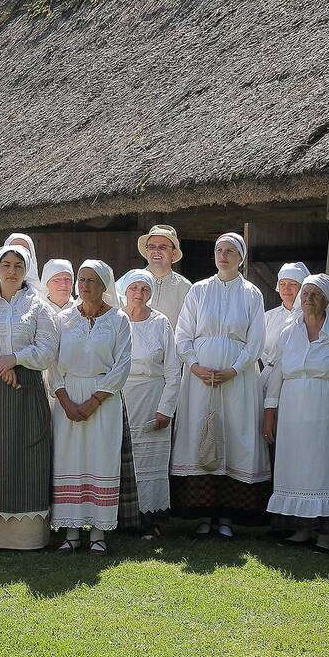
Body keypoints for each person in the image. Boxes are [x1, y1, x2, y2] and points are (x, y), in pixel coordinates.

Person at [170, 232, 269, 539]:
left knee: (234, 436)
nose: (223, 255)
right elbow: (183, 334)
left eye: (229, 251)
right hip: (200, 380)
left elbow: (256, 341)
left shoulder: (252, 294)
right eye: (218, 250)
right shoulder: (199, 290)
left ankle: (227, 516)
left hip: (237, 381)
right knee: (200, 433)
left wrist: (236, 369)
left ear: (240, 257)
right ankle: (202, 516)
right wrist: (195, 365)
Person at [0, 245, 57, 551]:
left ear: (26, 269)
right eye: (6, 264)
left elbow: (46, 350)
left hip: (26, 388)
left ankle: (27, 536)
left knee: (27, 454)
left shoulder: (39, 307)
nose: (12, 271)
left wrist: (15, 359)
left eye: (18, 265)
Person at [263, 274, 329, 553]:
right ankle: (301, 529)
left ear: (326, 300)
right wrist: (269, 412)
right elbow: (276, 375)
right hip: (294, 411)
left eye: (315, 294)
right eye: (305, 294)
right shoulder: (288, 332)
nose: (308, 299)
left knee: (326, 466)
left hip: (328, 410)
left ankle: (326, 535)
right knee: (295, 465)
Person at [48, 260, 132, 555]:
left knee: (100, 459)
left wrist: (94, 401)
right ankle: (71, 532)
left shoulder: (119, 320)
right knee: (68, 460)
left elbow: (122, 366)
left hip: (103, 400)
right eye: (81, 280)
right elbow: (53, 364)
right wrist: (66, 401)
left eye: (92, 281)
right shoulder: (63, 319)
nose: (84, 286)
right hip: (68, 397)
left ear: (104, 285)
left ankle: (98, 532)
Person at [120, 269, 180, 535]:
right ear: (125, 289)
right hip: (120, 397)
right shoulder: (115, 318)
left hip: (153, 397)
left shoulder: (161, 322)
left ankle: (149, 520)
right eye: (134, 288)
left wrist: (166, 408)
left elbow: (173, 370)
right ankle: (120, 518)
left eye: (145, 289)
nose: (139, 294)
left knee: (149, 461)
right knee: (120, 459)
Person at [261, 262, 310, 393]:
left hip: (297, 382)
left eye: (292, 284)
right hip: (269, 378)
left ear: (302, 288)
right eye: (282, 284)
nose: (286, 288)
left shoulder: (310, 317)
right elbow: (259, 348)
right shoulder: (267, 317)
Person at [133, 224, 192, 325]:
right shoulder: (131, 281)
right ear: (147, 251)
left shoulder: (186, 288)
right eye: (151, 246)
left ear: (173, 253)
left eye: (162, 247)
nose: (156, 251)